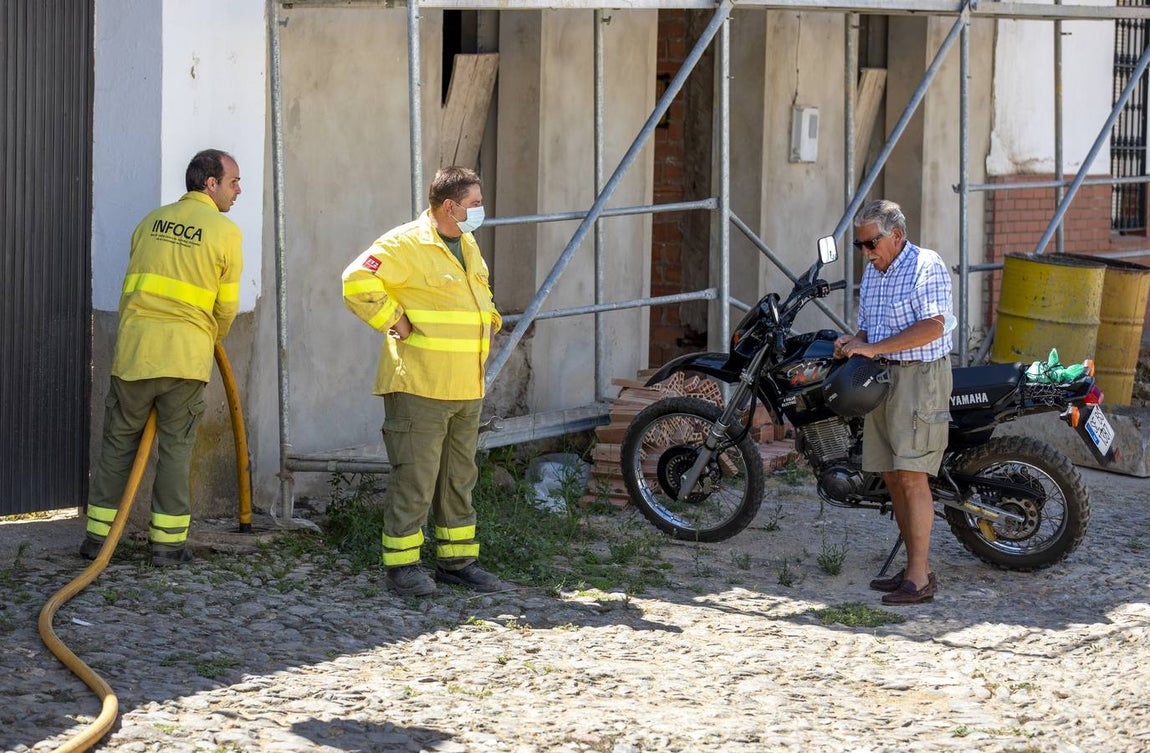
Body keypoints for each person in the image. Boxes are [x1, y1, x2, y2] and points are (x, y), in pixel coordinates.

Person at [341, 166, 509, 597]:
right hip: (419, 386)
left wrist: (490, 319)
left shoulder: (466, 243)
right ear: (449, 206)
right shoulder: (405, 243)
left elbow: (479, 294)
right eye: (474, 204)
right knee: (415, 479)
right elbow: (356, 280)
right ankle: (403, 568)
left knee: (458, 479)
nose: (480, 211)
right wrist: (392, 320)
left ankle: (457, 563)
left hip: (466, 387)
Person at [80, 149, 244, 567]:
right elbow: (225, 309)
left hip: (135, 353)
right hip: (184, 360)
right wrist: (211, 338)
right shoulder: (225, 233)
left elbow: (132, 285)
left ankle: (97, 540)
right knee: (175, 450)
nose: (237, 190)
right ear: (210, 183)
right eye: (233, 182)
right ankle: (168, 546)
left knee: (117, 445)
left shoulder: (149, 222)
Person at [833, 199, 953, 605]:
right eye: (860, 246)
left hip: (919, 378)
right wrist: (854, 343)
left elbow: (933, 326)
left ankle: (919, 578)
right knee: (891, 474)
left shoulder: (927, 265)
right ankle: (914, 568)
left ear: (896, 235)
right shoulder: (873, 273)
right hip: (881, 379)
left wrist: (875, 347)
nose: (866, 253)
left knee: (913, 473)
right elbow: (869, 329)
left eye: (871, 243)